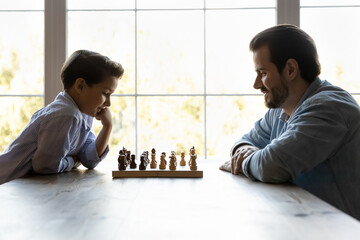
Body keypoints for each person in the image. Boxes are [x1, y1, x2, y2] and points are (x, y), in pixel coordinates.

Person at [220, 24, 360, 220]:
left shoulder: (329, 109)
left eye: (263, 73)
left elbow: (272, 167)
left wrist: (245, 161)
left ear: (291, 69)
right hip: (304, 223)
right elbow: (243, 142)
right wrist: (247, 152)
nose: (256, 85)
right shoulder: (281, 109)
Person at [0, 50, 124, 184]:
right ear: (80, 86)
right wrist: (73, 161)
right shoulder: (66, 115)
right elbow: (45, 167)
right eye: (105, 93)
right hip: (7, 181)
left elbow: (89, 159)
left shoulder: (82, 113)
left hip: (22, 184)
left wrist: (107, 127)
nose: (108, 103)